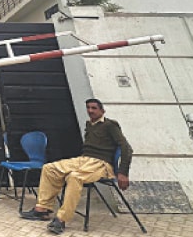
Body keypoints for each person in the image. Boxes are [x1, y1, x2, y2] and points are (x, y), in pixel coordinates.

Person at [20, 98, 133, 235]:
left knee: (74, 177)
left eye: (94, 108)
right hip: (84, 160)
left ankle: (61, 220)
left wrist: (123, 172)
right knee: (49, 168)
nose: (90, 111)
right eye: (88, 108)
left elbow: (126, 148)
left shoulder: (110, 125)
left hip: (101, 164)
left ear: (102, 110)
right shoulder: (89, 124)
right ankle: (42, 210)